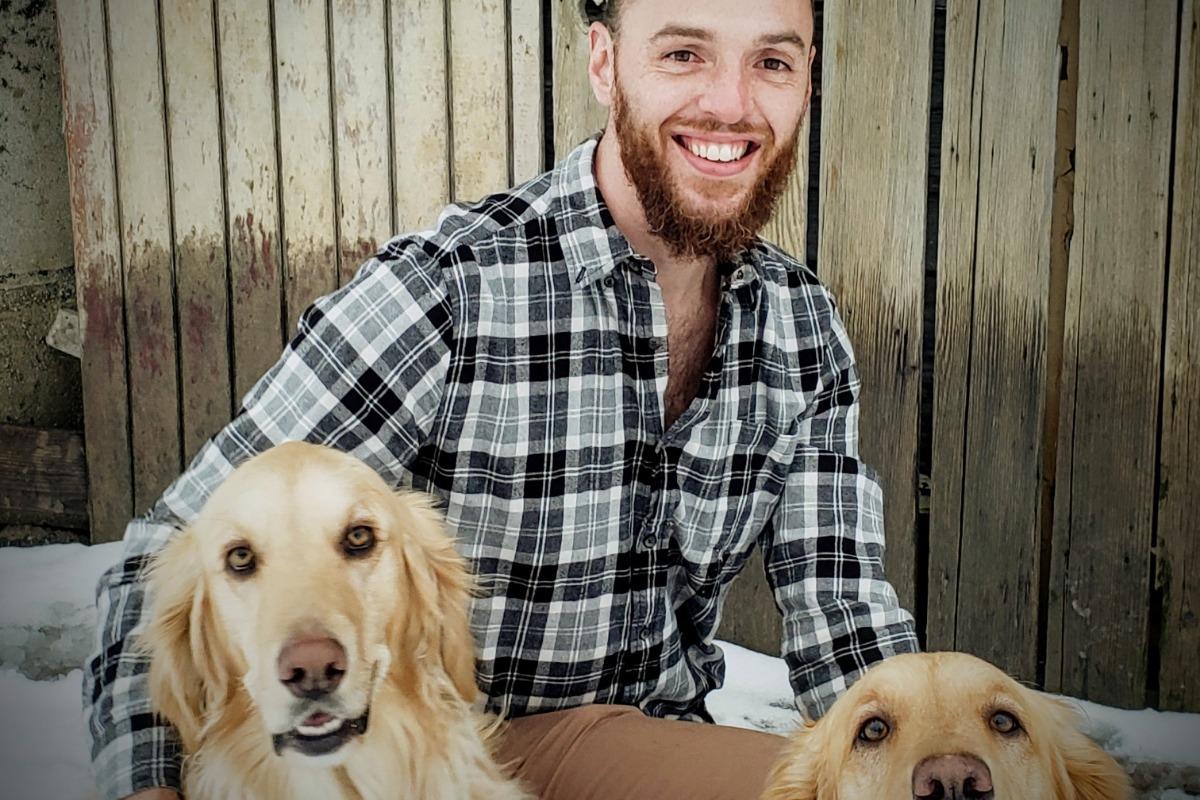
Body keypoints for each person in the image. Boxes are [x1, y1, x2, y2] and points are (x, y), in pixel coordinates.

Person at [89, 0, 918, 797]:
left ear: (808, 78)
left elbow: (839, 604)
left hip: (647, 744)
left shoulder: (800, 327)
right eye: (683, 54)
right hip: (431, 756)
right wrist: (147, 790)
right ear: (604, 62)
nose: (731, 104)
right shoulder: (447, 293)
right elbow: (162, 560)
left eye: (771, 61)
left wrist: (924, 749)